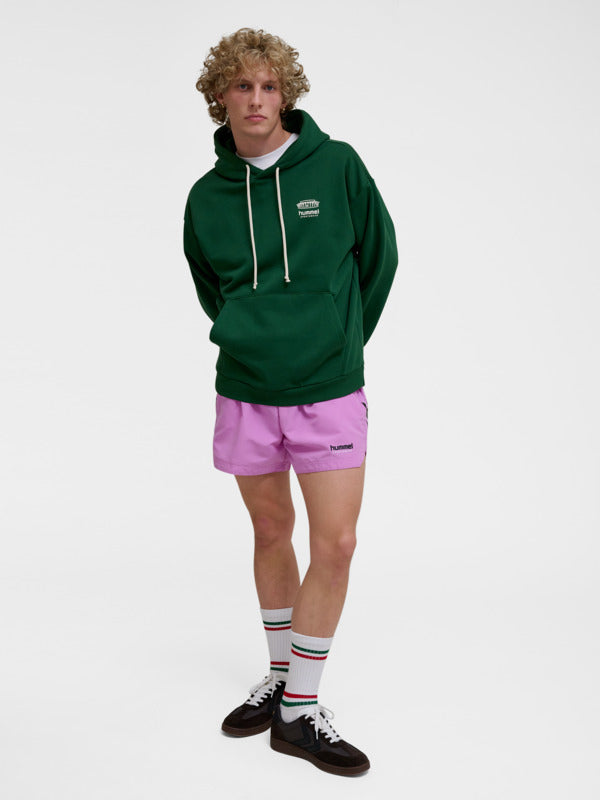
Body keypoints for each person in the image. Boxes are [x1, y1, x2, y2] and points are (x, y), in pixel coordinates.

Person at [183, 27, 397, 777]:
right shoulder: (205, 197)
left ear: (287, 95)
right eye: (242, 86)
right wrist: (251, 333)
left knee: (336, 543)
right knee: (271, 529)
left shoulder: (336, 166)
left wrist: (337, 341)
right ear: (220, 96)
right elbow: (211, 287)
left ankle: (300, 713)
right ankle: (282, 680)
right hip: (245, 390)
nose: (257, 99)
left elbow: (380, 257)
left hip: (327, 390)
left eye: (269, 86)